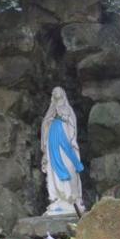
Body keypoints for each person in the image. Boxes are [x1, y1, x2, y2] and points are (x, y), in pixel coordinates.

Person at [41, 87, 84, 215]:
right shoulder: (51, 109)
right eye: (54, 91)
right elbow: (45, 124)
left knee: (69, 165)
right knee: (54, 167)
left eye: (58, 90)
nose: (56, 92)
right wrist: (50, 121)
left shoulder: (68, 109)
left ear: (63, 93)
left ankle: (72, 197)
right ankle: (59, 197)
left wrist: (64, 118)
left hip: (66, 140)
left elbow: (73, 124)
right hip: (53, 140)